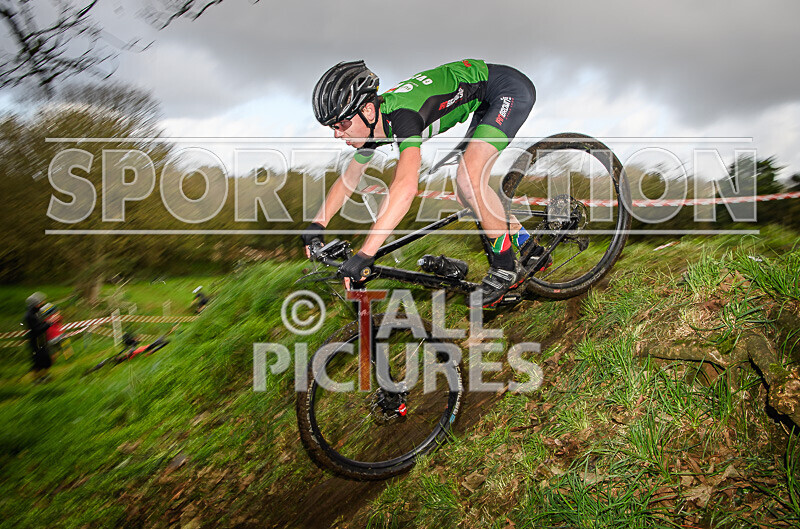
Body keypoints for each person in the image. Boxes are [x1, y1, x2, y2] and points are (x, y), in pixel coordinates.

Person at [302, 59, 549, 308]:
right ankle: (529, 248)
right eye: (332, 126)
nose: (337, 133)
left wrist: (367, 253)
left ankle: (505, 269)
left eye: (342, 124)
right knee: (467, 194)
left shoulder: (403, 117)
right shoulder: (372, 125)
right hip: (482, 95)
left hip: (507, 89)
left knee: (468, 177)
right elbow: (350, 178)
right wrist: (318, 223)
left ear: (367, 111)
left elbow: (406, 186)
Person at [24, 292, 52, 382]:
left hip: (41, 340)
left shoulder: (37, 313)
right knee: (38, 361)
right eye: (40, 302)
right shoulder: (29, 316)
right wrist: (48, 323)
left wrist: (47, 322)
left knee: (47, 360)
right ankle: (36, 379)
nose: (42, 303)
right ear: (35, 304)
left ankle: (43, 377)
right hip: (35, 341)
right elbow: (37, 329)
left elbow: (40, 324)